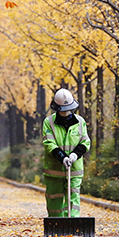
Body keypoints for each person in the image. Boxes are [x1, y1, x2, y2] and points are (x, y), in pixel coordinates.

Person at [41, 88, 90, 218]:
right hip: (54, 171)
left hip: (74, 171)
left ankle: (73, 224)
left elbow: (85, 142)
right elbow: (49, 144)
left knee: (73, 198)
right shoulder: (49, 123)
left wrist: (74, 155)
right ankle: (56, 224)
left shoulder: (80, 122)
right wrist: (62, 157)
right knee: (54, 200)